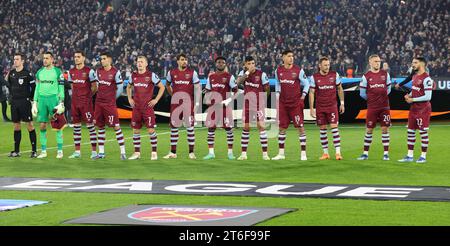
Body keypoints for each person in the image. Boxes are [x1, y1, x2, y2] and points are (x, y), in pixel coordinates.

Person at [272, 50, 310, 161]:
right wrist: (278, 96)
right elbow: (278, 83)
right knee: (281, 128)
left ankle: (303, 154)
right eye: (289, 56)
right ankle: (281, 154)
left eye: (292, 56)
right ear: (283, 57)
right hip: (283, 104)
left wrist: (303, 96)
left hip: (295, 104)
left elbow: (306, 84)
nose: (291, 58)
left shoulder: (298, 70)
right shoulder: (278, 70)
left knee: (300, 128)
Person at [127, 55, 165, 160]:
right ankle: (137, 153)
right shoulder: (133, 76)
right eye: (138, 62)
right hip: (136, 108)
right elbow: (128, 86)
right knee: (135, 131)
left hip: (147, 108)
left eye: (142, 62)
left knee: (150, 130)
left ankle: (154, 153)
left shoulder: (151, 75)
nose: (139, 63)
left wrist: (156, 100)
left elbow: (162, 87)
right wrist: (130, 99)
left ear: (146, 64)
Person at [164, 53, 201, 159]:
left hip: (188, 104)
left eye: (186, 60)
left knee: (190, 128)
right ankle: (173, 152)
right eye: (182, 59)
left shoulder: (192, 73)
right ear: (178, 61)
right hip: (176, 104)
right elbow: (167, 85)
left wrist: (197, 103)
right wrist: (173, 95)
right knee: (174, 128)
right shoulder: (171, 73)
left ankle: (191, 152)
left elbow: (198, 88)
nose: (185, 61)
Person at [309, 56, 345, 160]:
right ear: (320, 66)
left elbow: (339, 89)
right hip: (320, 107)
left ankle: (338, 153)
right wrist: (311, 108)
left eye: (328, 65)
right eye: (325, 65)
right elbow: (311, 93)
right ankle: (325, 153)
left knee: (334, 127)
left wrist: (342, 103)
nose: (327, 67)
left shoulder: (334, 75)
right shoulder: (314, 77)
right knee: (323, 129)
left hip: (332, 106)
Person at [203, 56, 238, 160]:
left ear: (225, 64)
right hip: (213, 107)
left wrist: (229, 100)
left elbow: (236, 92)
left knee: (229, 129)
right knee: (211, 129)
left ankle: (230, 153)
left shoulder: (229, 77)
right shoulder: (211, 77)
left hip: (224, 107)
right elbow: (207, 90)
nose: (221, 64)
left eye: (223, 62)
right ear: (216, 64)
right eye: (219, 62)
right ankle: (211, 153)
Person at [357, 54, 392, 161]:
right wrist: (372, 100)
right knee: (369, 130)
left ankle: (386, 154)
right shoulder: (366, 76)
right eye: (376, 61)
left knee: (385, 129)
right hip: (372, 108)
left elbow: (388, 89)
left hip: (384, 107)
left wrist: (381, 98)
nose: (378, 63)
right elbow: (362, 94)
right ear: (370, 62)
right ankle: (365, 154)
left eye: (379, 61)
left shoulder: (385, 74)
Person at [398, 57, 433, 164]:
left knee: (423, 132)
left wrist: (413, 99)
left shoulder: (427, 79)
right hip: (414, 108)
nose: (412, 64)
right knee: (410, 131)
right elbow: (415, 91)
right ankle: (409, 155)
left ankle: (423, 156)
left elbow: (428, 96)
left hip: (423, 109)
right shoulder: (414, 76)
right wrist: (409, 96)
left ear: (422, 64)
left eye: (415, 62)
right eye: (412, 62)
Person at [235, 56, 270, 160]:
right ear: (245, 65)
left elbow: (267, 89)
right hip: (247, 105)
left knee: (261, 127)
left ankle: (265, 155)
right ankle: (243, 154)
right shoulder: (243, 73)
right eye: (249, 64)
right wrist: (247, 73)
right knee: (246, 128)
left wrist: (263, 100)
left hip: (259, 105)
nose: (251, 65)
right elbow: (237, 83)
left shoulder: (262, 75)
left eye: (253, 63)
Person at [32, 52, 66, 159]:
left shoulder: (57, 72)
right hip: (42, 100)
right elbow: (37, 88)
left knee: (58, 126)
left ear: (52, 59)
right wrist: (34, 102)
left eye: (47, 58)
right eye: (44, 58)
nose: (44, 60)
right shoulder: (39, 72)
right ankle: (43, 151)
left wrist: (61, 101)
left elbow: (61, 88)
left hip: (53, 99)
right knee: (42, 125)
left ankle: (60, 151)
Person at [93, 52, 127, 160]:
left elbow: (121, 88)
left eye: (104, 59)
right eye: (101, 59)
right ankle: (101, 153)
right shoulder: (98, 71)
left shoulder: (115, 72)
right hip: (99, 104)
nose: (102, 61)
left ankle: (123, 152)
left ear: (109, 60)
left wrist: (112, 99)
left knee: (116, 127)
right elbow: (96, 86)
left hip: (109, 104)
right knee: (100, 127)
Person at [67, 50, 98, 159]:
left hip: (86, 104)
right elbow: (72, 86)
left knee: (90, 127)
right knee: (76, 127)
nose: (76, 58)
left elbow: (95, 87)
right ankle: (77, 152)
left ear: (83, 58)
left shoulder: (89, 71)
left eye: (78, 57)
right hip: (75, 103)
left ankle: (94, 152)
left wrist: (87, 96)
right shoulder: (71, 72)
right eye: (75, 57)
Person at [5, 53, 37, 157]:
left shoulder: (27, 74)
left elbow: (34, 87)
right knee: (16, 126)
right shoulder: (12, 73)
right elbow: (8, 84)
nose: (15, 61)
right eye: (14, 59)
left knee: (30, 125)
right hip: (14, 103)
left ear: (22, 61)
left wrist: (31, 99)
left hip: (24, 102)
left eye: (17, 59)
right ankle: (16, 151)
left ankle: (34, 151)